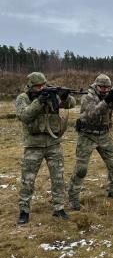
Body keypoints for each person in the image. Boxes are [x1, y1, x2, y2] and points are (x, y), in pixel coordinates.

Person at [15, 72, 76, 224]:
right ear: (30, 86)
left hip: (53, 143)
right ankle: (24, 210)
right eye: (38, 86)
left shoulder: (51, 94)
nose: (41, 88)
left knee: (58, 178)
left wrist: (64, 97)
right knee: (28, 179)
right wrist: (40, 101)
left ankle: (59, 208)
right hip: (33, 145)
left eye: (43, 85)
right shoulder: (23, 98)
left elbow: (71, 104)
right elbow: (25, 115)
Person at [68, 74, 113, 211]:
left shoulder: (109, 96)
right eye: (102, 87)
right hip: (87, 135)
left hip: (104, 135)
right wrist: (107, 100)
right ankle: (73, 197)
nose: (105, 90)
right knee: (81, 169)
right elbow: (92, 113)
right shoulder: (87, 97)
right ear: (96, 86)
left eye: (108, 88)